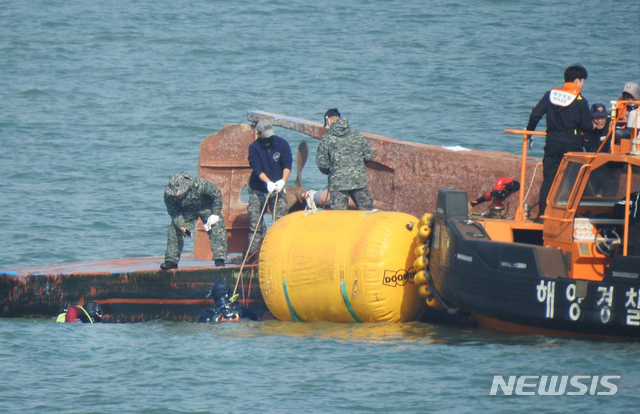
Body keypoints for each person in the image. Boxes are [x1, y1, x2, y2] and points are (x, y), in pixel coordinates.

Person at [526, 65, 594, 216]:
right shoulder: (580, 100)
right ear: (577, 80)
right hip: (573, 144)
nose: (583, 85)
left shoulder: (551, 95)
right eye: (583, 81)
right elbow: (585, 125)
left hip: (552, 142)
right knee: (573, 180)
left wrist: (529, 131)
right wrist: (593, 125)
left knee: (549, 178)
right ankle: (570, 214)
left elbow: (535, 114)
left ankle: (543, 214)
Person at [246, 120, 292, 263]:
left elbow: (287, 163)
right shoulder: (254, 148)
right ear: (258, 134)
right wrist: (268, 183)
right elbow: (257, 168)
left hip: (278, 188)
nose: (268, 138)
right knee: (255, 223)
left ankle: (280, 254)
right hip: (259, 189)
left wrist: (282, 181)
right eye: (264, 136)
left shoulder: (282, 144)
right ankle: (253, 257)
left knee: (281, 221)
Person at [162, 172, 227, 270]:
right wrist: (181, 225)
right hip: (187, 211)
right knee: (174, 230)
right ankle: (171, 261)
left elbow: (216, 193)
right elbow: (174, 212)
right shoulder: (168, 196)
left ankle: (220, 260)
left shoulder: (198, 184)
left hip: (206, 207)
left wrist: (215, 213)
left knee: (217, 226)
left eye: (179, 192)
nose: (176, 195)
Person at [315, 108, 375, 210]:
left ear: (328, 120)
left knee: (338, 217)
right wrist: (357, 166)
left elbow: (322, 163)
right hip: (358, 181)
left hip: (338, 184)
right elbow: (369, 155)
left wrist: (332, 171)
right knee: (367, 212)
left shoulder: (327, 138)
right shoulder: (356, 134)